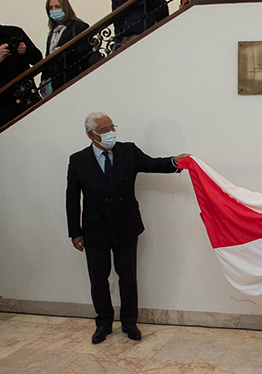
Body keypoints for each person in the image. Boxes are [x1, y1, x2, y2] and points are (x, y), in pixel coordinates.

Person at [66, 112, 190, 344]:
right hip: (94, 230)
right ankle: (103, 323)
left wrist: (175, 161)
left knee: (128, 276)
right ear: (92, 135)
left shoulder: (128, 151)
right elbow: (72, 199)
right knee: (98, 279)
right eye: (105, 130)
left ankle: (129, 323)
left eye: (112, 127)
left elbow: (152, 164)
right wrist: (75, 232)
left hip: (126, 225)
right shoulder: (78, 160)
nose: (111, 132)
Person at [41, 0, 90, 96]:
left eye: (57, 6)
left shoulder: (79, 26)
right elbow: (48, 57)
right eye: (50, 8)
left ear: (66, 8)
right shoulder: (52, 33)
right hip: (57, 81)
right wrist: (44, 78)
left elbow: (86, 48)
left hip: (75, 76)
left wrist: (65, 52)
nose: (54, 10)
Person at [0, 25, 43, 124]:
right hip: (4, 107)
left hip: (27, 95)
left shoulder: (14, 32)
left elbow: (37, 58)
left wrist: (26, 51)